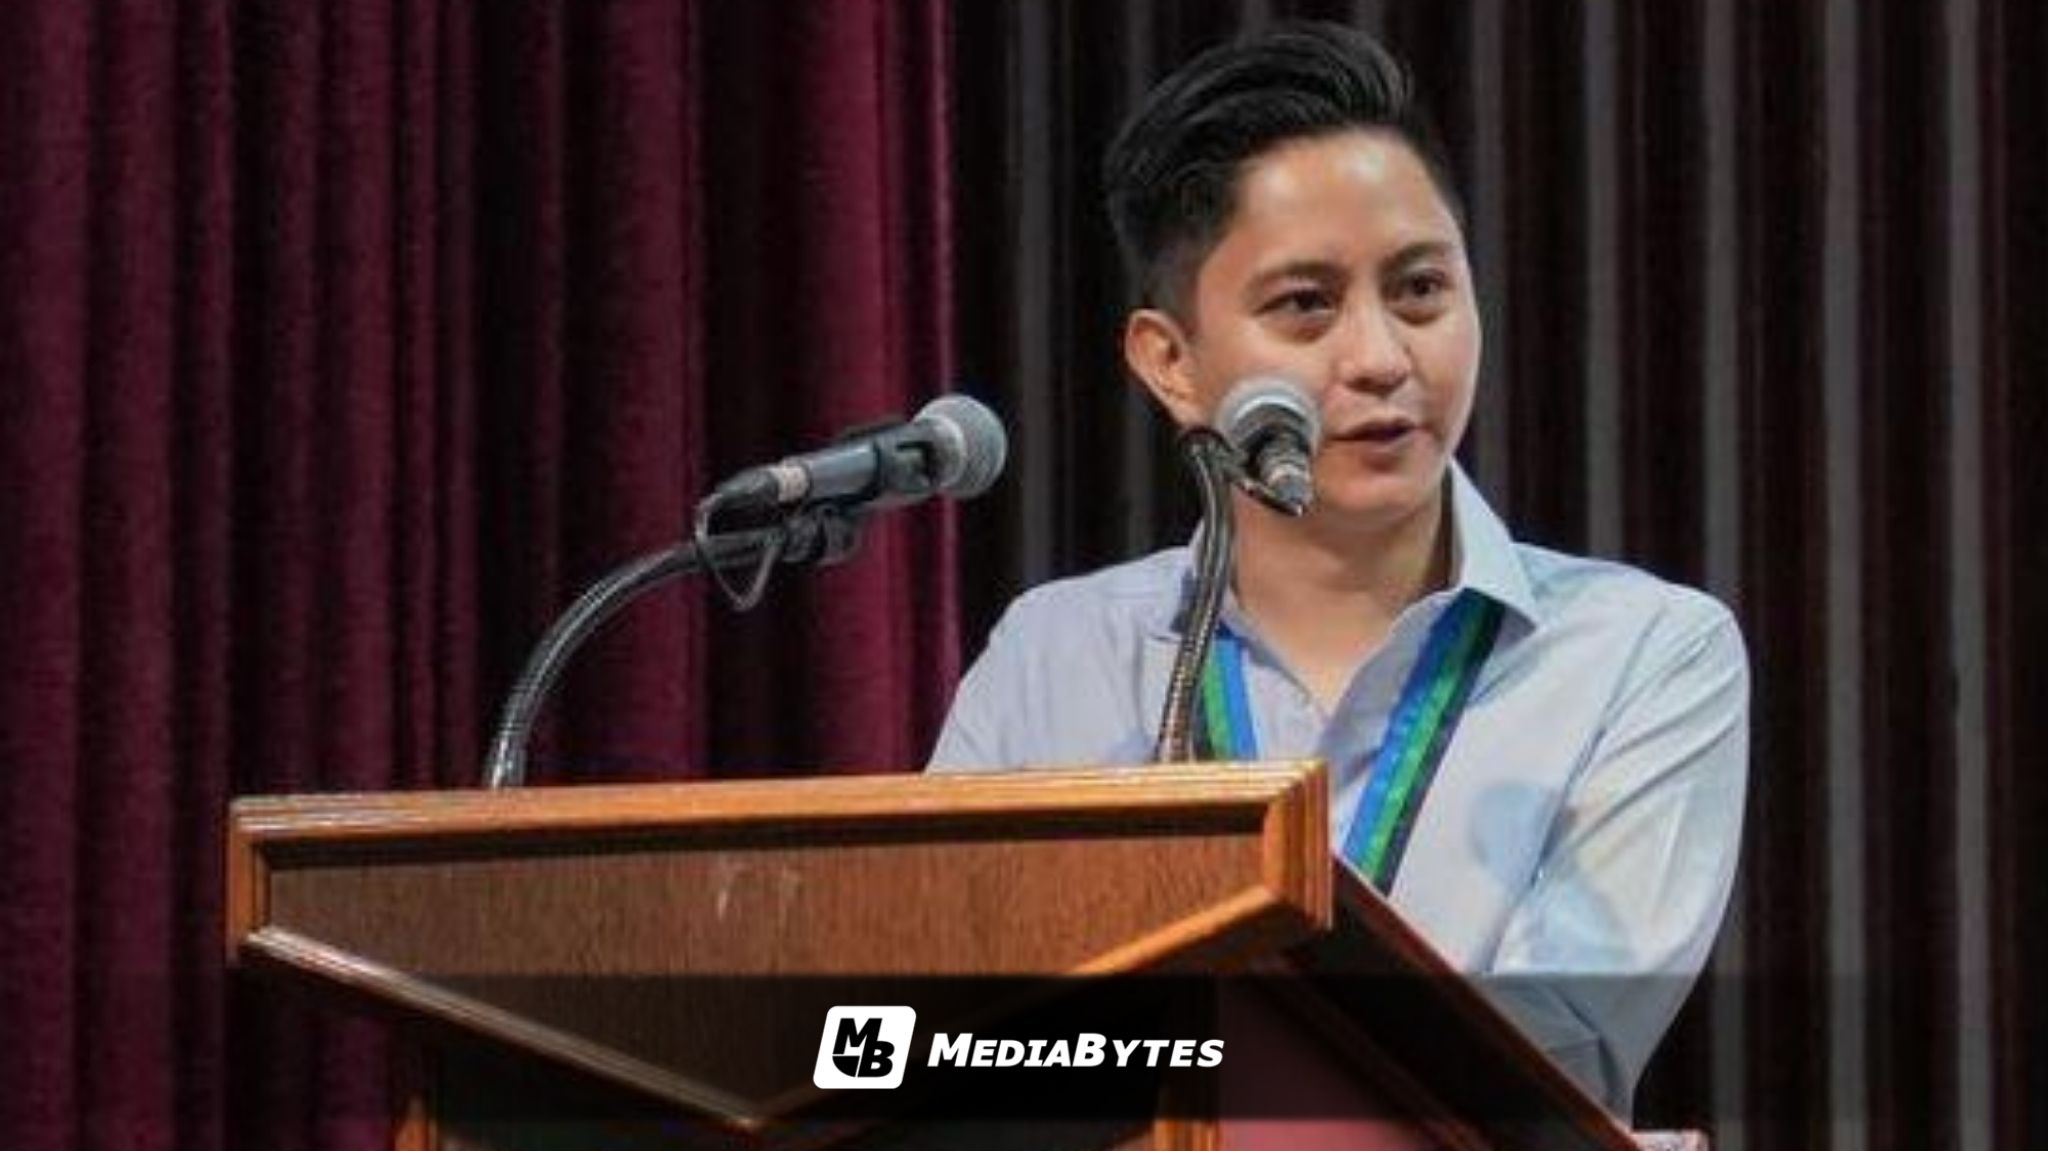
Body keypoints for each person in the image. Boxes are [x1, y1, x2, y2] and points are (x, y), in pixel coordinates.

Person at [929, 21, 1747, 1119]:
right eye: (1305, 305)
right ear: (1170, 363)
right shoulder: (1056, 652)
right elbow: (922, 1034)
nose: (1379, 357)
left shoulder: (1639, 653)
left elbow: (1547, 1053)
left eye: (1420, 290)